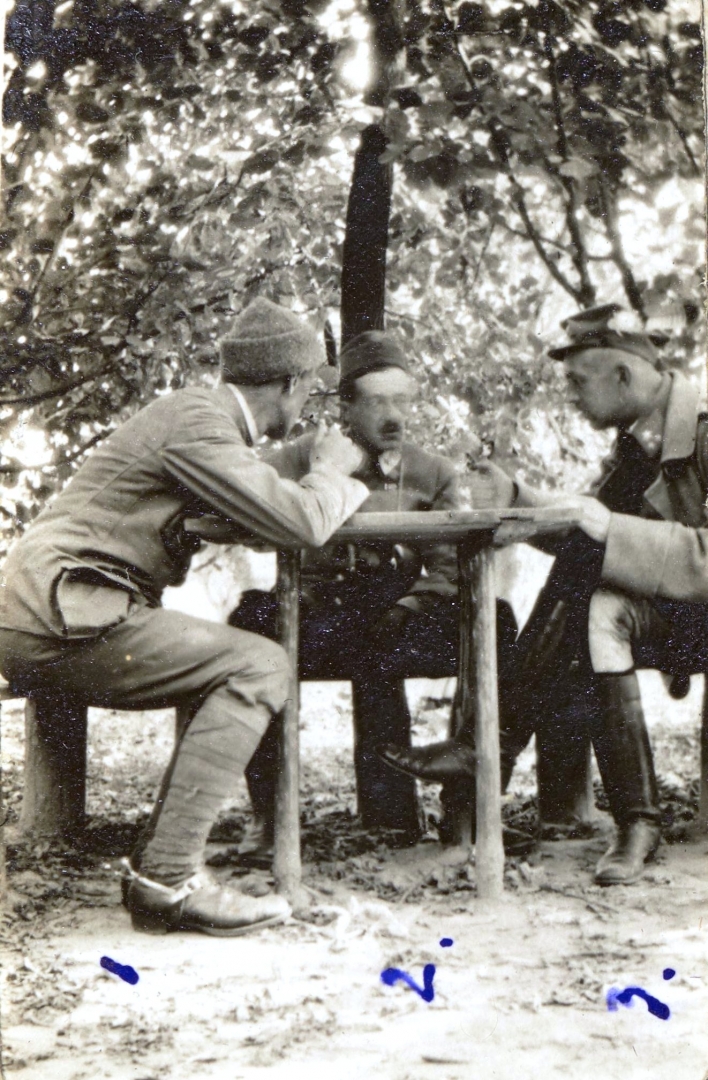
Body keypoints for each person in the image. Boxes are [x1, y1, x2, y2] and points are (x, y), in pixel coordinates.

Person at [0, 297, 369, 934]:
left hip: (54, 608)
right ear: (289, 383)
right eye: (310, 387)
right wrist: (332, 471)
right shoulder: (198, 421)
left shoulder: (201, 420)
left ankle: (159, 871)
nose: (310, 401)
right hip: (58, 614)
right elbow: (302, 522)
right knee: (259, 664)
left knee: (227, 664)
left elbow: (253, 492)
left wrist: (302, 465)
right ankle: (167, 878)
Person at [380, 304, 708, 886]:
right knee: (595, 598)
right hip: (680, 614)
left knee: (588, 569)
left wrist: (609, 530)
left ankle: (488, 751)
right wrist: (518, 496)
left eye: (578, 382)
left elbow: (612, 533)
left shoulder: (701, 430)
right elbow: (592, 531)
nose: (571, 398)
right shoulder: (641, 439)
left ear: (623, 376)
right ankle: (635, 822)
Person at [229, 329, 522, 864]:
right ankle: (269, 818)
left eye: (403, 401)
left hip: (397, 617)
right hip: (321, 616)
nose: (395, 416)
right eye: (379, 402)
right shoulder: (299, 459)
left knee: (495, 619)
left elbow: (449, 564)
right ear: (346, 406)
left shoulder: (432, 472)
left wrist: (412, 605)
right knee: (248, 621)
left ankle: (465, 811)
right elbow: (243, 511)